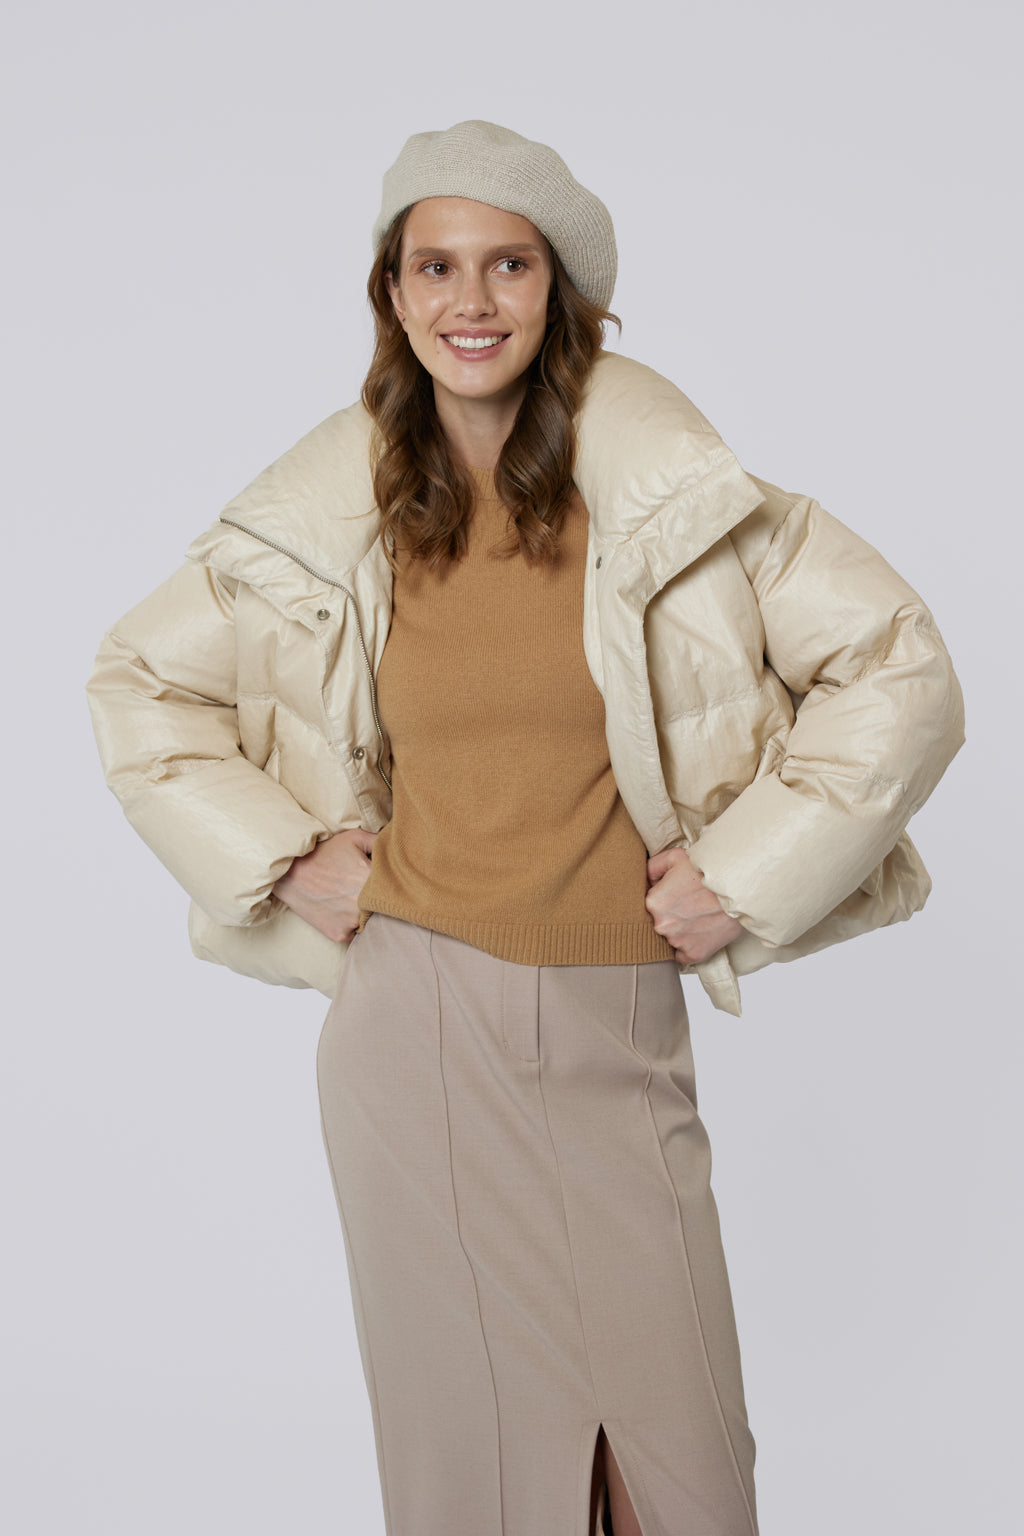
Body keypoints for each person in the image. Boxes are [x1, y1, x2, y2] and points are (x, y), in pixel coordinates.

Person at [87, 120, 964, 1536]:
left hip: (620, 1029)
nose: (470, 301)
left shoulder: (676, 506)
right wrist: (285, 852)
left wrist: (745, 877)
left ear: (563, 292)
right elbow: (138, 681)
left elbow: (901, 670)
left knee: (686, 1478)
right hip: (413, 1034)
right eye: (434, 267)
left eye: (508, 264)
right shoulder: (337, 515)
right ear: (392, 294)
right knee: (477, 1484)